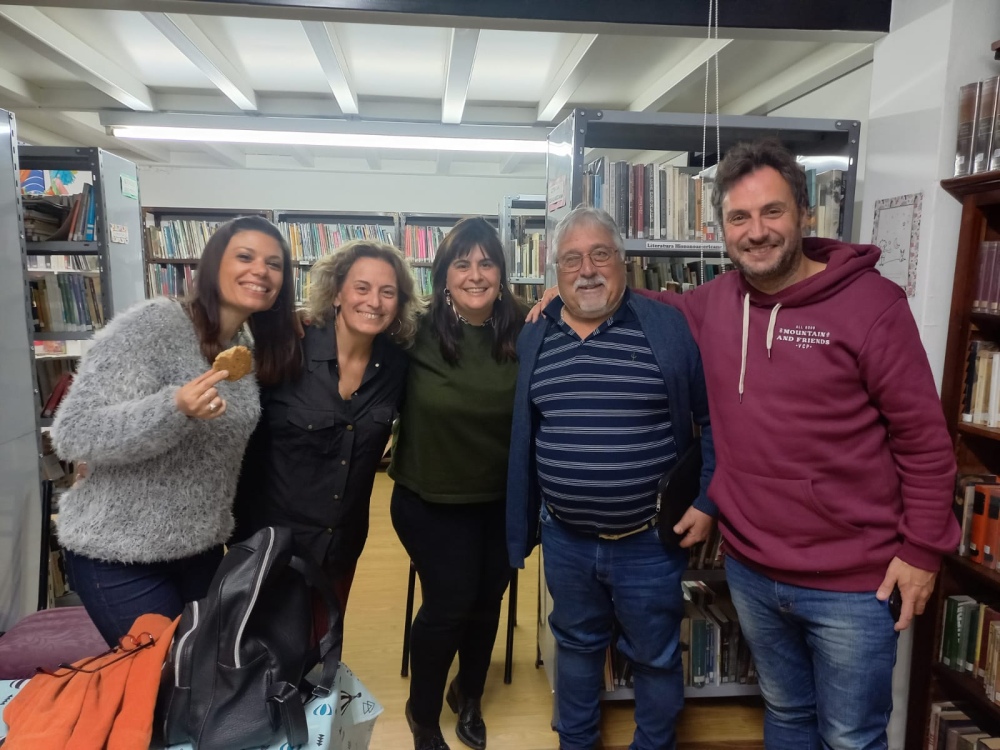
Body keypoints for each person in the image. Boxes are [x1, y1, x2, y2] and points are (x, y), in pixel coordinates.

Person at [529, 140, 959, 749]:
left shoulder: (872, 306)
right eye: (739, 218)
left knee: (851, 736)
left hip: (854, 582)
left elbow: (924, 441)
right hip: (753, 567)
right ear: (722, 227)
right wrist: (569, 292)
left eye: (772, 212)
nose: (756, 232)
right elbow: (653, 301)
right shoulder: (719, 302)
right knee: (784, 714)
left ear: (805, 215)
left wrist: (922, 551)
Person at [507, 205, 716, 750]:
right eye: (572, 259)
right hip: (566, 539)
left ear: (624, 262)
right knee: (574, 648)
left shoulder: (668, 328)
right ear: (555, 271)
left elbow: (712, 420)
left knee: (656, 655)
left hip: (648, 540)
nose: (587, 269)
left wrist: (709, 498)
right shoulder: (536, 334)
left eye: (601, 254)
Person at [51, 215, 300, 647]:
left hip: (199, 550)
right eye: (245, 256)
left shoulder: (244, 348)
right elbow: (74, 432)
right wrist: (173, 408)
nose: (260, 270)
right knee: (161, 681)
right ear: (212, 264)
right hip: (119, 553)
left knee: (195, 680)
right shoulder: (154, 325)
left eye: (274, 264)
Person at [389, 217, 526, 750]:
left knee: (487, 600)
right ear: (443, 274)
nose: (475, 274)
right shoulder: (412, 330)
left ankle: (467, 694)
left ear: (501, 272)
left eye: (486, 263)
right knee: (449, 603)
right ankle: (422, 713)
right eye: (461, 264)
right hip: (430, 499)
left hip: (500, 501)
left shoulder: (526, 326)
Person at [233, 240, 420, 615]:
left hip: (339, 550)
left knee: (320, 656)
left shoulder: (399, 366)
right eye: (362, 288)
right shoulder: (287, 347)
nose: (374, 302)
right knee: (253, 661)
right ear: (336, 293)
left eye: (388, 292)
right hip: (267, 548)